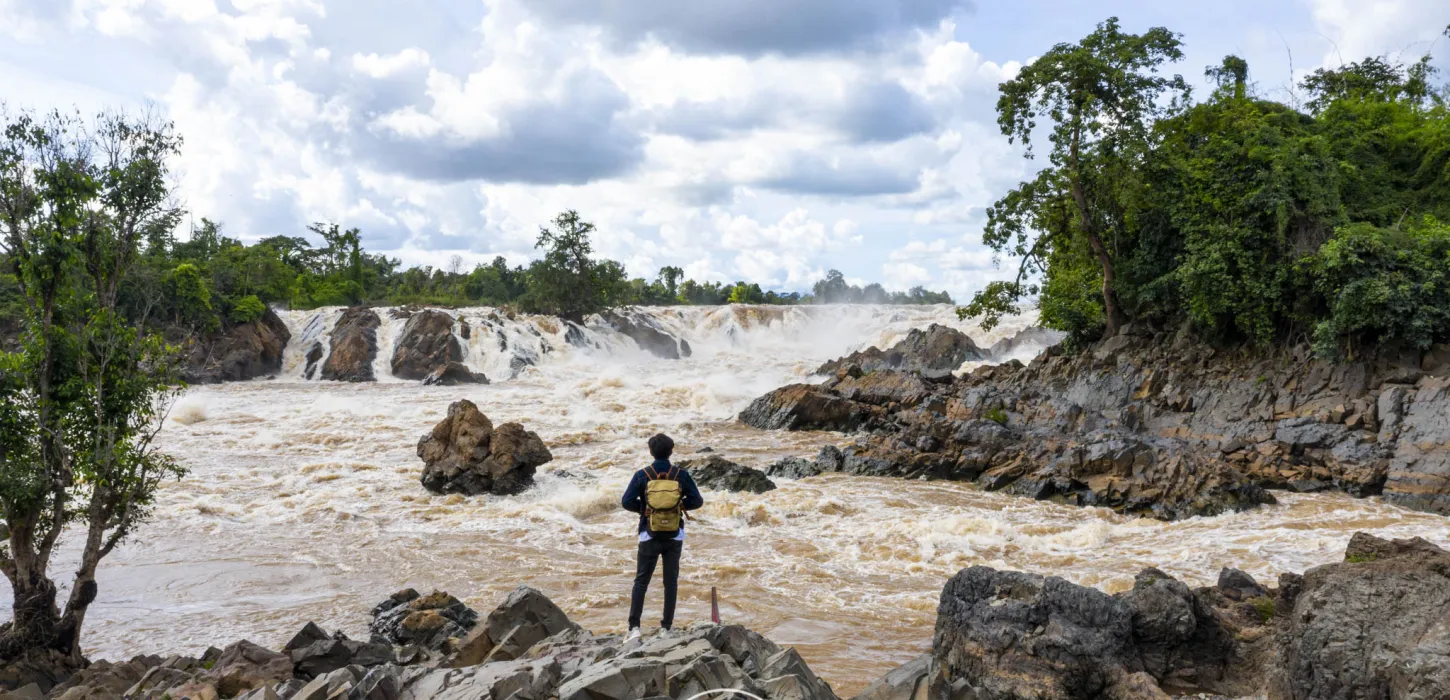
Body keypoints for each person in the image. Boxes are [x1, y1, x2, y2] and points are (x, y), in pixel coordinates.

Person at [620, 433, 703, 641]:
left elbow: (626, 501)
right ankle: (666, 628)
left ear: (651, 452)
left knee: (641, 581)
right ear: (671, 451)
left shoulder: (643, 474)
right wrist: (681, 505)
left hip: (649, 533)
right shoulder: (680, 475)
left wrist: (643, 509)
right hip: (674, 535)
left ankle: (634, 628)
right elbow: (698, 501)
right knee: (670, 582)